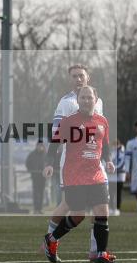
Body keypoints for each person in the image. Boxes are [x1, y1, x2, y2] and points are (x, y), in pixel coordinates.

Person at [41, 86, 117, 263]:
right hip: (74, 175)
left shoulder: (102, 121)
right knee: (78, 215)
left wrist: (108, 160)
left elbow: (105, 145)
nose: (86, 100)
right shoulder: (68, 122)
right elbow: (54, 146)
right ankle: (51, 239)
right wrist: (49, 164)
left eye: (89, 97)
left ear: (95, 100)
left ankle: (101, 256)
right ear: (78, 100)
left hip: (96, 174)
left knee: (102, 212)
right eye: (82, 97)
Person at [43, 64, 104, 240]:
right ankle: (49, 240)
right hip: (73, 162)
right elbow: (56, 133)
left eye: (81, 75)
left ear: (88, 77)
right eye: (74, 76)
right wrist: (50, 161)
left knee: (100, 207)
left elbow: (101, 130)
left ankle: (96, 249)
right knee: (67, 204)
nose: (78, 79)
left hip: (95, 161)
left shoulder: (98, 101)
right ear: (69, 79)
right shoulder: (66, 102)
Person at [25, 141, 48, 214]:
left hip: (43, 177)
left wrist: (47, 172)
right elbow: (27, 163)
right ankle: (36, 209)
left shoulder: (45, 154)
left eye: (41, 146)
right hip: (35, 176)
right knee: (36, 193)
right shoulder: (32, 154)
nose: (40, 147)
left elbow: (49, 164)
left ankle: (40, 209)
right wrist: (31, 171)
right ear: (36, 146)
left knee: (41, 193)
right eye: (39, 146)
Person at [112, 139, 126, 216]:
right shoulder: (112, 152)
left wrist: (115, 169)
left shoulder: (122, 152)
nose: (115, 146)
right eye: (114, 145)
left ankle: (117, 208)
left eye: (116, 145)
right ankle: (111, 208)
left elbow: (122, 163)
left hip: (120, 175)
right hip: (112, 176)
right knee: (111, 192)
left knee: (118, 193)